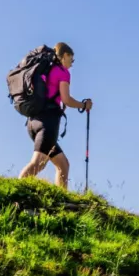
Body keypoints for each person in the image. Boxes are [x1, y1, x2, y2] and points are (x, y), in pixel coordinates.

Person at [18, 43, 92, 188]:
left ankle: (61, 199)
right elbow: (66, 100)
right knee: (38, 163)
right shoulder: (63, 72)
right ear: (65, 55)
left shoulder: (46, 69)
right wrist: (84, 106)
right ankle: (15, 189)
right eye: (72, 59)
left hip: (33, 122)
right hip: (48, 122)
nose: (72, 63)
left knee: (63, 165)